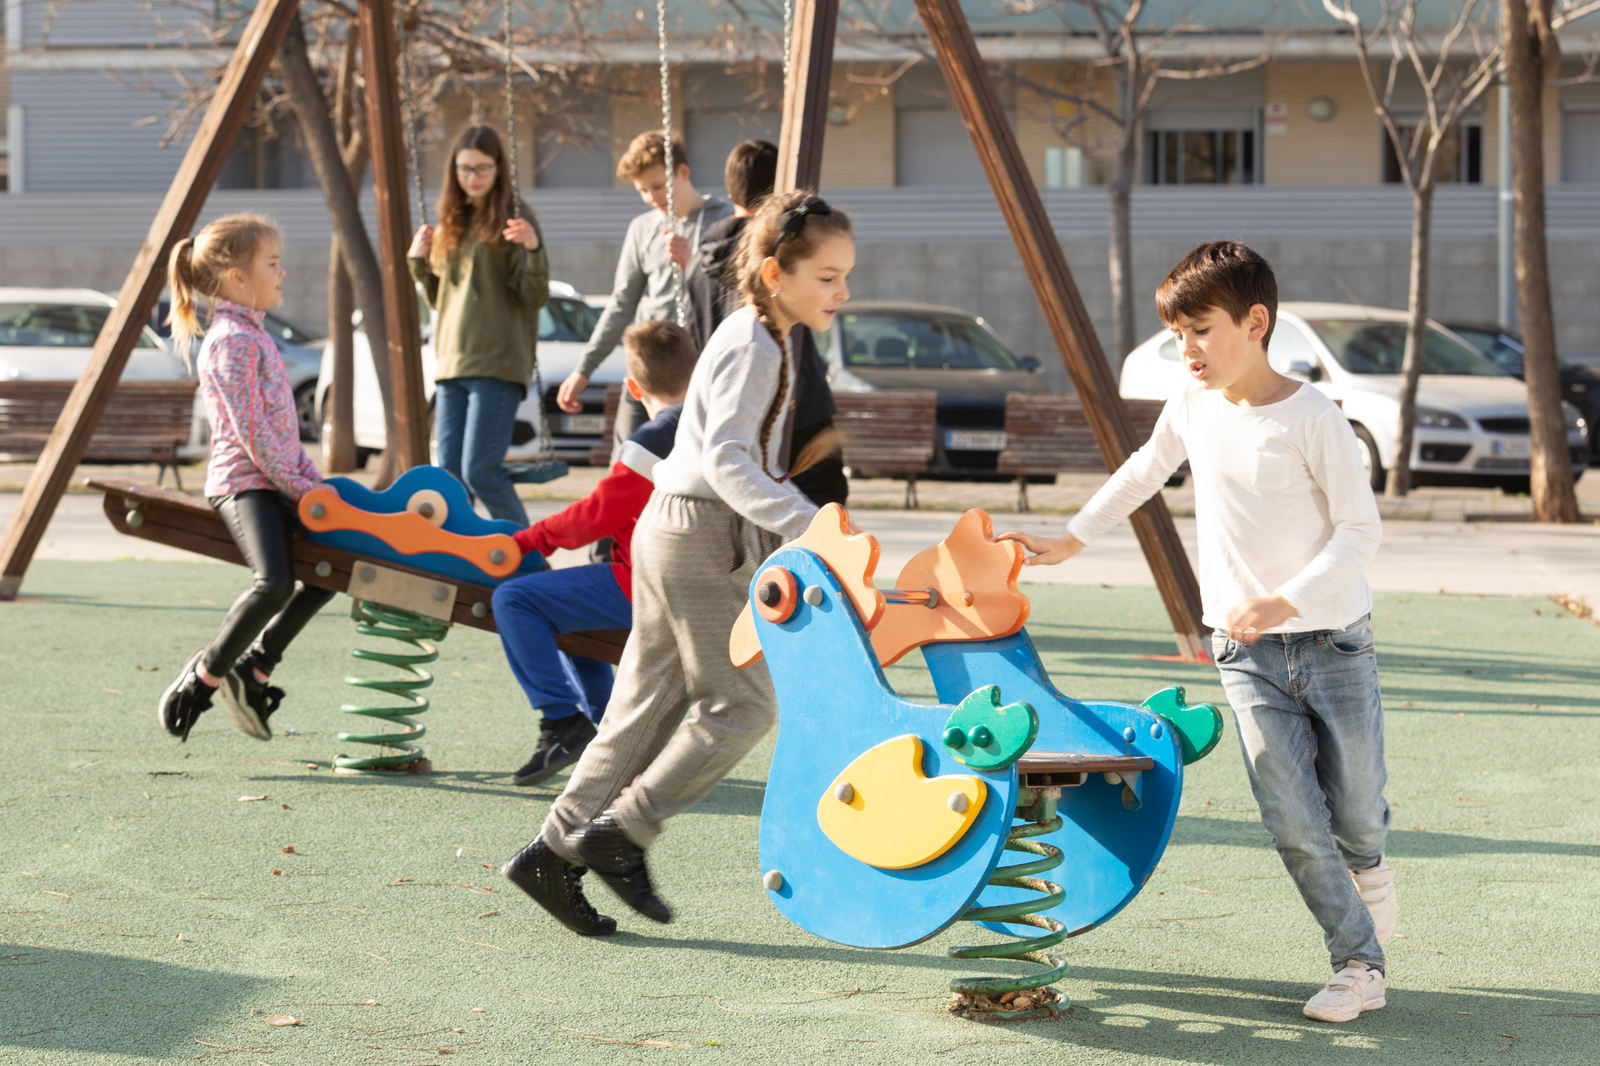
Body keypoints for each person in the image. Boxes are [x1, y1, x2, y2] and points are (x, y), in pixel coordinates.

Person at [999, 242, 1394, 1025]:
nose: (1187, 351)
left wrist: (1286, 600)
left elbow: (1360, 531)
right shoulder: (1192, 404)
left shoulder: (1315, 416)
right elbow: (1143, 472)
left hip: (1333, 643)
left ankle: (1373, 874)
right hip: (1243, 653)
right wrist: (1071, 538)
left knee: (1354, 812)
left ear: (1256, 323)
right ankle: (1358, 964)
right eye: (1177, 334)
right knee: (1290, 814)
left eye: (1201, 331)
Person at [501, 191, 853, 937]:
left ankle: (552, 852)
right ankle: (623, 830)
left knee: (643, 710)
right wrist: (807, 525)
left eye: (844, 275)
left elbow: (730, 455)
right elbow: (726, 461)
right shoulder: (758, 343)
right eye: (826, 276)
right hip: (701, 533)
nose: (841, 292)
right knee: (745, 706)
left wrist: (799, 504)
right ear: (774, 271)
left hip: (677, 527)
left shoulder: (765, 334)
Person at [492, 321, 696, 787]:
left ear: (631, 386)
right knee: (570, 611)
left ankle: (562, 722)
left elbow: (597, 515)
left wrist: (530, 539)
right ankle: (608, 734)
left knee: (515, 600)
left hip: (648, 587)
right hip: (689, 583)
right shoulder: (713, 427)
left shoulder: (653, 440)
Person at [156, 213, 335, 744]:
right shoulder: (231, 341)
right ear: (237, 277)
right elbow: (256, 439)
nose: (283, 273)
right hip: (245, 484)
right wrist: (304, 491)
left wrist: (318, 485)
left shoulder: (255, 336)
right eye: (272, 264)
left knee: (330, 565)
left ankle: (254, 671)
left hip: (275, 480)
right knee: (275, 582)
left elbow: (284, 439)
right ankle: (204, 677)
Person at [687, 139, 847, 508]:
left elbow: (697, 340)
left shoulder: (697, 263)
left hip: (726, 410)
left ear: (729, 192)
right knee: (825, 514)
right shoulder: (788, 251)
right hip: (796, 405)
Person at [555, 131, 733, 455]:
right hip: (647, 363)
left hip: (695, 369)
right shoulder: (642, 229)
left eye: (658, 185)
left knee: (686, 469)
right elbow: (622, 304)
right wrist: (584, 369)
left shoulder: (723, 220)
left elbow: (736, 301)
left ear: (683, 172)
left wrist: (691, 264)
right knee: (628, 461)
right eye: (642, 190)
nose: (652, 197)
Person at [408, 124, 549, 525]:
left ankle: (529, 554)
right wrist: (419, 263)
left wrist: (533, 249)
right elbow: (440, 299)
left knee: (480, 470)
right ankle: (462, 561)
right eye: (464, 169)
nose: (472, 178)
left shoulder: (515, 218)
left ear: (499, 169)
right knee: (447, 479)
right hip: (452, 363)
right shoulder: (452, 221)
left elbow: (534, 297)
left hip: (498, 362)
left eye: (482, 169)